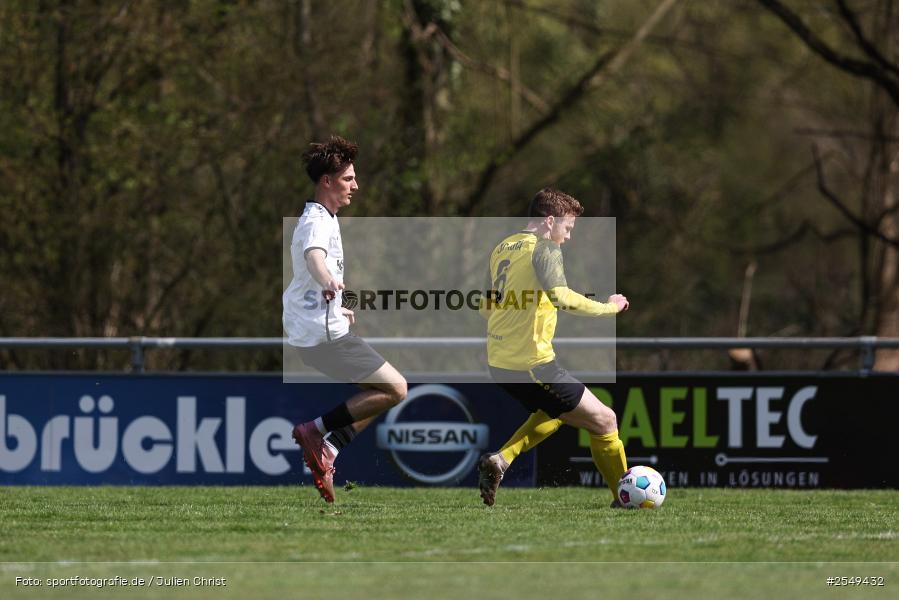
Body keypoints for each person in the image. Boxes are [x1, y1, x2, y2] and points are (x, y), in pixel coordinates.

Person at [477, 188, 629, 508]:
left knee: (557, 412)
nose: (568, 236)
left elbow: (486, 304)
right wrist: (609, 308)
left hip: (499, 361)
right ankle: (624, 497)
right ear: (550, 221)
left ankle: (501, 460)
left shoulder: (503, 247)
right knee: (605, 421)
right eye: (568, 227)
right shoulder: (545, 248)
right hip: (532, 363)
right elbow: (561, 296)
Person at [283, 135, 407, 503]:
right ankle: (315, 432)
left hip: (318, 330)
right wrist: (328, 281)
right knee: (396, 389)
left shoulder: (325, 218)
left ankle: (329, 450)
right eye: (348, 178)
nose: (356, 185)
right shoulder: (316, 222)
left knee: (380, 394)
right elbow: (314, 258)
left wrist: (338, 304)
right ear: (327, 181)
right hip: (324, 338)